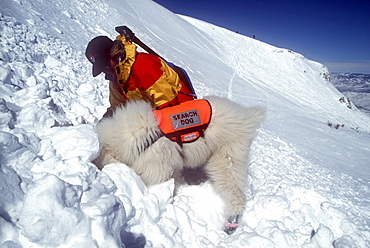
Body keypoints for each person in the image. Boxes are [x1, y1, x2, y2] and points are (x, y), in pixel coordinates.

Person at [85, 34, 195, 117]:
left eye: (105, 65)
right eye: (101, 68)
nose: (105, 71)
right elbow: (118, 105)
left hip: (183, 115)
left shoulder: (144, 65)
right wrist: (110, 116)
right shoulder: (116, 77)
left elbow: (168, 104)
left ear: (114, 54)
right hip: (155, 117)